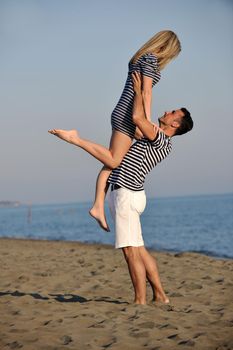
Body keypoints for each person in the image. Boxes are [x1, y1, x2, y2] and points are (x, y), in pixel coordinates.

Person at [49, 71, 193, 304]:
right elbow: (137, 123)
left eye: (173, 112)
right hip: (134, 194)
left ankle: (140, 300)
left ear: (175, 124)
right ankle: (161, 295)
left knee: (131, 251)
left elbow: (137, 117)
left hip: (126, 193)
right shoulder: (161, 142)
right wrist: (145, 93)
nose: (168, 111)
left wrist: (138, 91)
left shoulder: (158, 137)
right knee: (140, 249)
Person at [51, 30, 182, 232]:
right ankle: (75, 139)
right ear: (167, 47)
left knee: (114, 160)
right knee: (113, 160)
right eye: (172, 54)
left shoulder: (140, 58)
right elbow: (146, 92)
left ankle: (97, 206)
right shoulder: (150, 59)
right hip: (128, 116)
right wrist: (147, 122)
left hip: (125, 113)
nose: (169, 59)